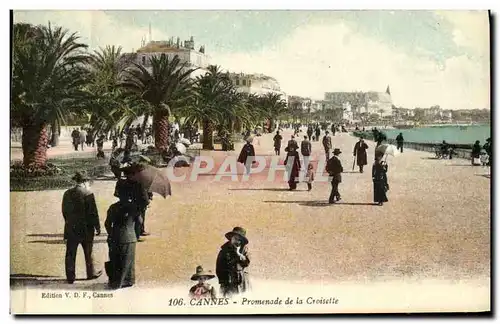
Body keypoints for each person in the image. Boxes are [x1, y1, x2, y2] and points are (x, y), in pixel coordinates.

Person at [61, 172, 102, 283]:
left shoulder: (67, 193)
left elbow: (64, 211)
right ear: (84, 182)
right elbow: (93, 212)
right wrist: (97, 226)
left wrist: (69, 222)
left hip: (71, 228)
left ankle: (70, 276)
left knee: (70, 252)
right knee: (88, 252)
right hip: (86, 229)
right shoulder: (88, 194)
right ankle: (91, 273)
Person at [105, 194, 142, 289]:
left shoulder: (113, 207)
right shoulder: (134, 207)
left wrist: (111, 233)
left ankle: (115, 281)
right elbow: (139, 223)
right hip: (129, 237)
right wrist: (136, 235)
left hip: (115, 236)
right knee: (128, 260)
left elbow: (107, 223)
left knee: (115, 259)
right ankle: (127, 280)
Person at [114, 164, 152, 239]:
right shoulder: (137, 182)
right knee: (138, 219)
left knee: (133, 219)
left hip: (129, 203)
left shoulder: (121, 182)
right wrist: (147, 201)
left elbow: (117, 194)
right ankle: (137, 234)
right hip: (138, 203)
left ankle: (138, 231)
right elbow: (143, 193)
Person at [216, 227, 251, 297]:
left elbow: (247, 263)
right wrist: (224, 281)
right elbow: (219, 267)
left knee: (243, 298)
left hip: (242, 281)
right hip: (228, 281)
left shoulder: (244, 250)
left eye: (239, 240)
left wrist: (239, 254)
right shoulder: (224, 251)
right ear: (231, 238)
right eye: (235, 238)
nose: (237, 241)